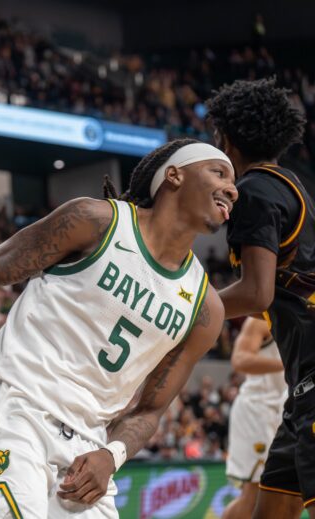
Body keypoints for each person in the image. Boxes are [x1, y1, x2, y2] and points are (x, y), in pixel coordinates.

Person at [0, 138, 237, 517]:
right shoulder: (96, 222)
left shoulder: (206, 307)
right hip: (14, 404)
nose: (232, 189)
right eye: (219, 172)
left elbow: (150, 409)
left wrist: (112, 454)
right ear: (174, 175)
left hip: (87, 442)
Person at [207, 78, 315, 519]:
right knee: (266, 512)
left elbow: (256, 292)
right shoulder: (291, 185)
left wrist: (183, 308)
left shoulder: (252, 191)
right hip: (300, 391)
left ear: (225, 140)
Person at [223, 317, 286, 519]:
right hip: (257, 410)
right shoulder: (260, 318)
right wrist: (288, 362)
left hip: (285, 412)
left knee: (281, 496)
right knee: (254, 495)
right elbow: (239, 359)